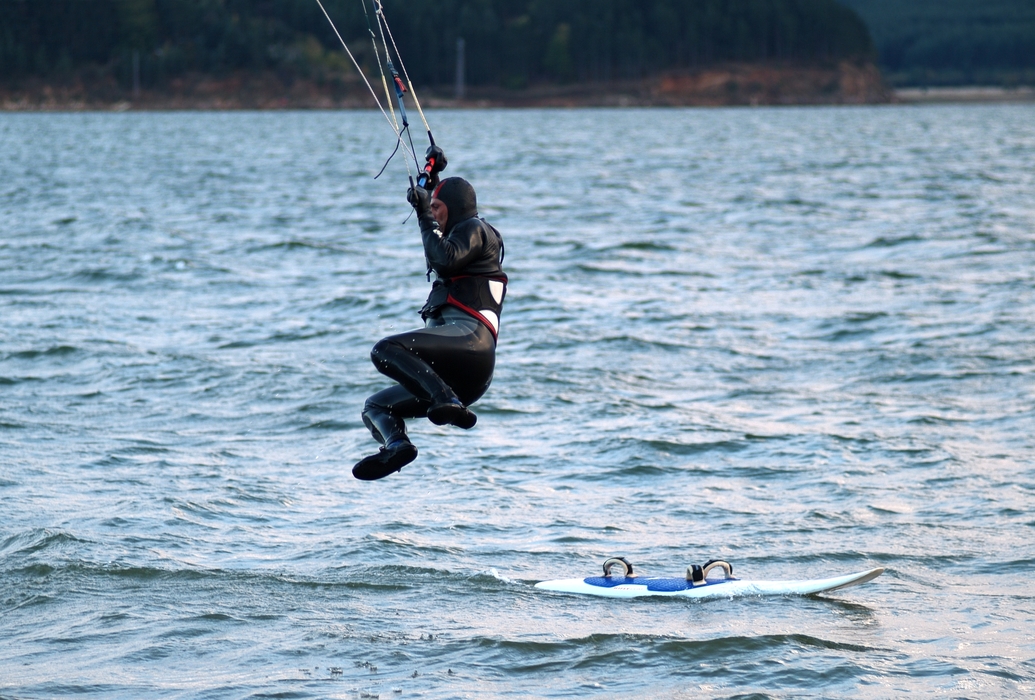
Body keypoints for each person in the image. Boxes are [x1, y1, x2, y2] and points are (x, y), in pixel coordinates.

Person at [352, 167, 507, 481]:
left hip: (471, 345)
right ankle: (396, 446)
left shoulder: (476, 228)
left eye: (439, 209)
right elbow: (440, 243)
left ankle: (446, 401)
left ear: (455, 209)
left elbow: (444, 258)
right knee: (376, 407)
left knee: (385, 349)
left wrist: (424, 212)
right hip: (456, 377)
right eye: (432, 209)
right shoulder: (456, 233)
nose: (433, 215)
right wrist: (429, 178)